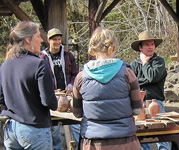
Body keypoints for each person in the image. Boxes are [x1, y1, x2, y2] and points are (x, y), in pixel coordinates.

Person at [72, 27, 142, 150]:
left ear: (93, 50)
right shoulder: (127, 73)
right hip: (124, 141)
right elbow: (137, 110)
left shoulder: (81, 77)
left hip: (94, 143)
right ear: (113, 47)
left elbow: (77, 113)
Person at [0, 21, 58, 149]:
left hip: (11, 130)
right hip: (34, 129)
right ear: (27, 39)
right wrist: (56, 102)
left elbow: (1, 99)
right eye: (38, 36)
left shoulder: (4, 66)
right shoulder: (38, 64)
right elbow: (49, 101)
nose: (42, 40)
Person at [40, 28, 79, 150]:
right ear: (48, 41)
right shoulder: (43, 58)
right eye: (54, 40)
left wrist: (71, 86)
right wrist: (51, 91)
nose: (57, 42)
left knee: (76, 125)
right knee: (55, 129)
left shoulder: (68, 54)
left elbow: (75, 74)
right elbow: (42, 79)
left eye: (59, 39)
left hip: (69, 95)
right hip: (54, 97)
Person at [130, 30, 169, 150]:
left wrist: (146, 64)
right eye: (147, 44)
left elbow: (152, 77)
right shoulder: (134, 64)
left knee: (162, 137)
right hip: (139, 105)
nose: (151, 47)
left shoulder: (159, 62)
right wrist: (146, 80)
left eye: (152, 44)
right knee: (142, 138)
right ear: (140, 47)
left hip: (156, 103)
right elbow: (132, 83)